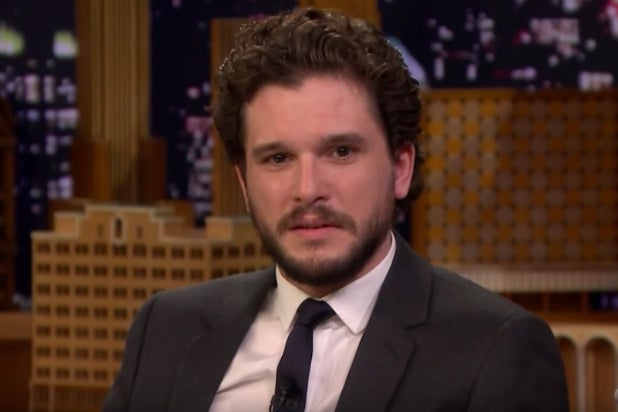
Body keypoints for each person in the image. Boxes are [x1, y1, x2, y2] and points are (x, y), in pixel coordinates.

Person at [103, 7, 568, 412]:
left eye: (341, 152)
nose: (308, 190)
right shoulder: (166, 328)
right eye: (278, 158)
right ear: (244, 184)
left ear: (400, 168)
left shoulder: (495, 350)